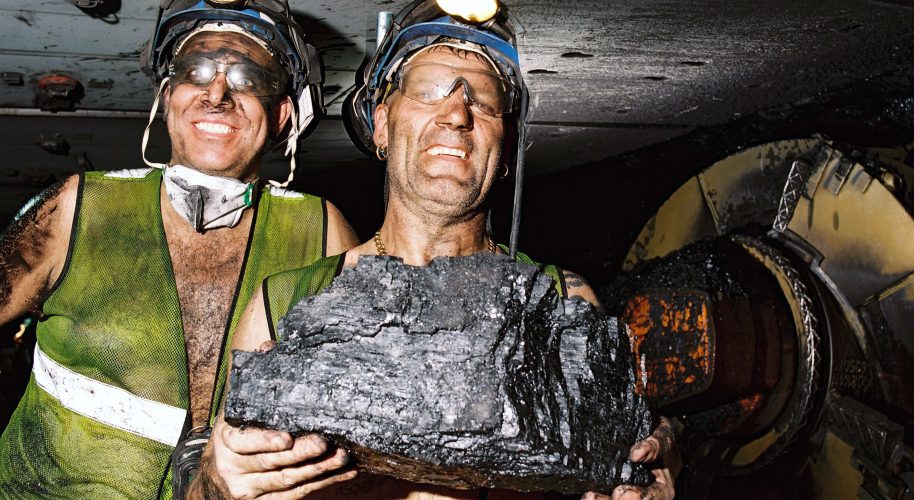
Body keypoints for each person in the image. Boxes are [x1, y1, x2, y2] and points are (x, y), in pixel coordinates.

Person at [193, 1, 679, 499]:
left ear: (506, 144)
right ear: (381, 125)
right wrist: (216, 481)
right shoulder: (287, 302)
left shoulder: (561, 303)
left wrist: (649, 478)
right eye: (428, 92)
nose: (455, 114)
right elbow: (216, 478)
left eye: (484, 101)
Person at [0, 1, 357, 497]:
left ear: (282, 115)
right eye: (197, 71)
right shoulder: (75, 207)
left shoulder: (323, 231)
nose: (218, 94)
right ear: (167, 97)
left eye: (249, 79)